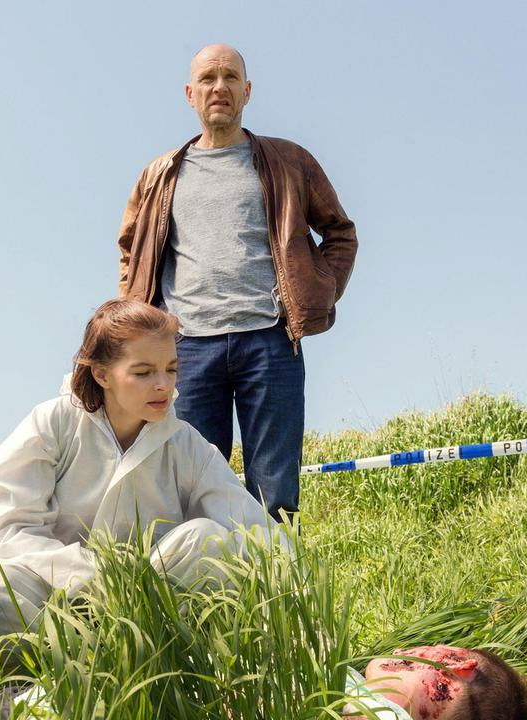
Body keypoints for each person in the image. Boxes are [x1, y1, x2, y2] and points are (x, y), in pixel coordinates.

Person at [0, 299, 278, 668]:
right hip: (55, 603)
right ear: (102, 375)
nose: (163, 385)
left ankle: (180, 678)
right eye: (143, 372)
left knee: (205, 539)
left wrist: (318, 642)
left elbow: (257, 535)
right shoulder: (52, 423)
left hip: (151, 614)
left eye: (171, 369)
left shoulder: (187, 445)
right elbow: (11, 530)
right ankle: (23, 695)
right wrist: (94, 575)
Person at [116, 43, 358, 522]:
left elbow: (340, 233)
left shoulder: (289, 161)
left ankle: (275, 589)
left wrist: (317, 291)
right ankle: (202, 592)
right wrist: (142, 322)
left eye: (230, 77)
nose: (219, 87)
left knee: (275, 492)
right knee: (189, 490)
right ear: (190, 94)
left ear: (247, 91)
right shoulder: (161, 174)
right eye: (207, 79)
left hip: (269, 340)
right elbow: (131, 249)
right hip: (185, 350)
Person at [346, 645, 527, 720]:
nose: (399, 651)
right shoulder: (354, 683)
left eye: (435, 648)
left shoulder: (376, 712)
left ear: (456, 663)